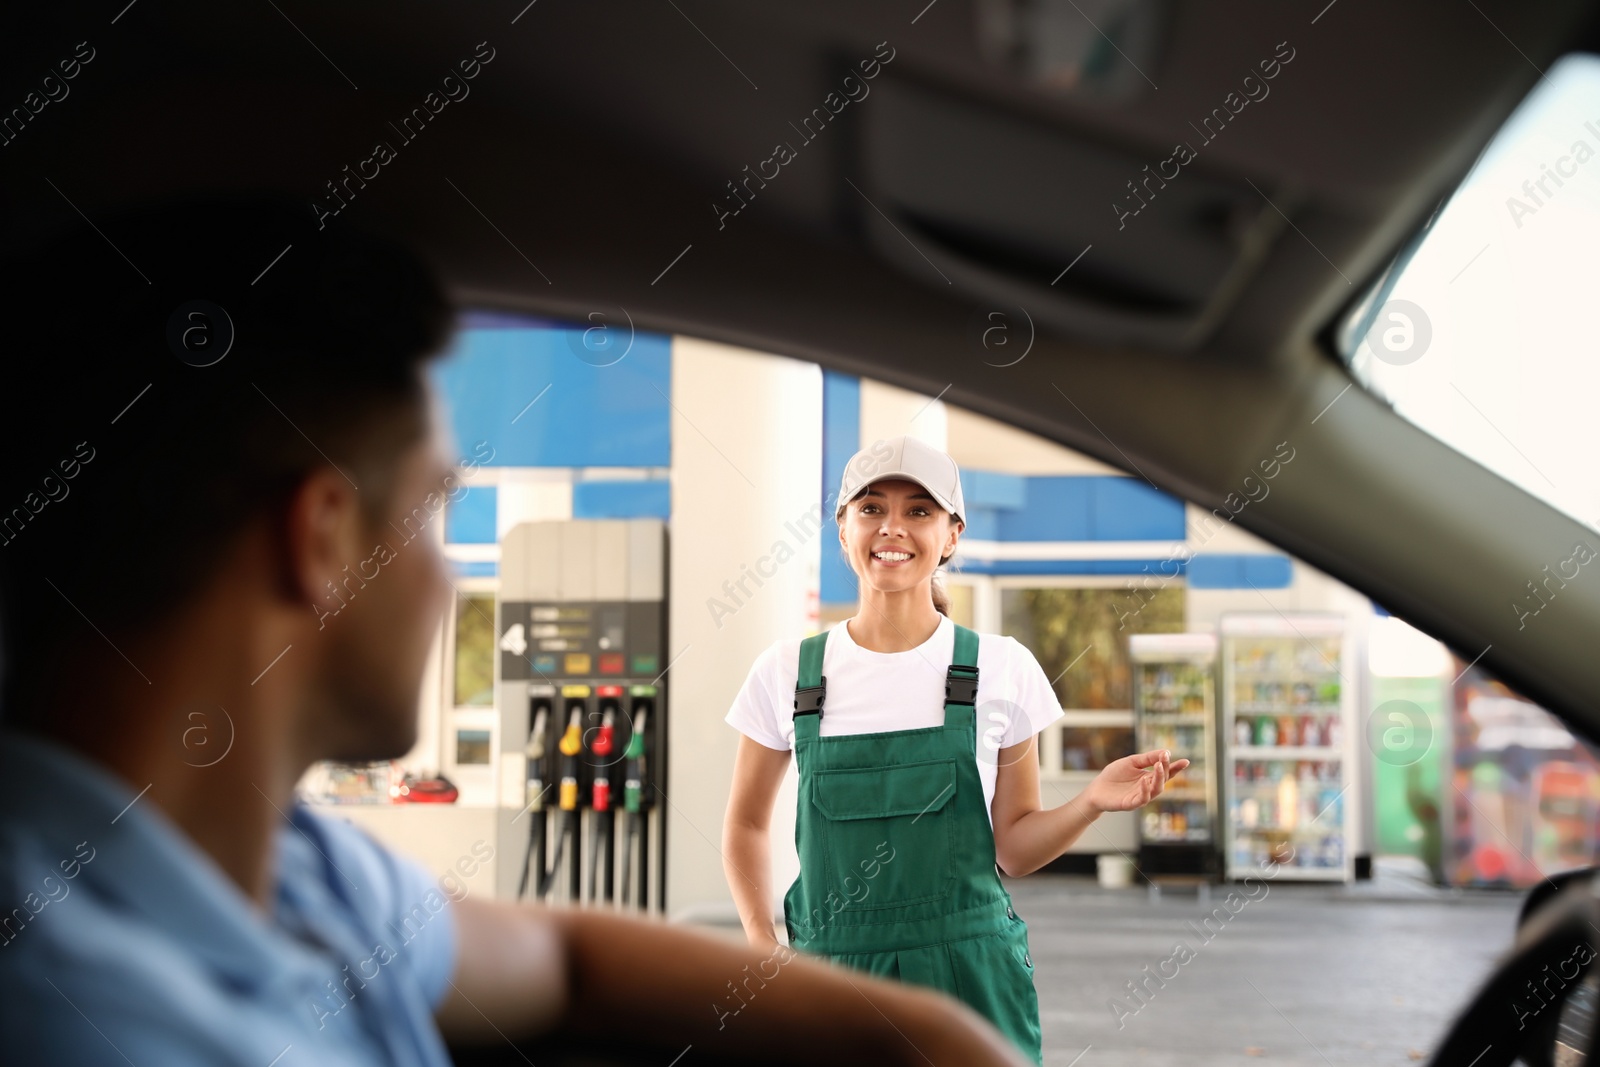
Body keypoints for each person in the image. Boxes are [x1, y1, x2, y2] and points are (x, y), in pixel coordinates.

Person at [0, 197, 1032, 1067]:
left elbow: (564, 951)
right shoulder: (88, 1012)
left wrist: (931, 1036)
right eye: (434, 513)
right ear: (320, 536)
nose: (449, 579)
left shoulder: (306, 872)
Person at [722, 436, 1189, 1064]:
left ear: (952, 535)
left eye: (920, 511)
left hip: (970, 974)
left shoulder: (1001, 668)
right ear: (842, 528)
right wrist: (761, 942)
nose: (893, 527)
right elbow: (746, 822)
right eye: (870, 508)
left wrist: (1091, 802)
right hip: (829, 973)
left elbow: (1015, 849)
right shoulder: (790, 674)